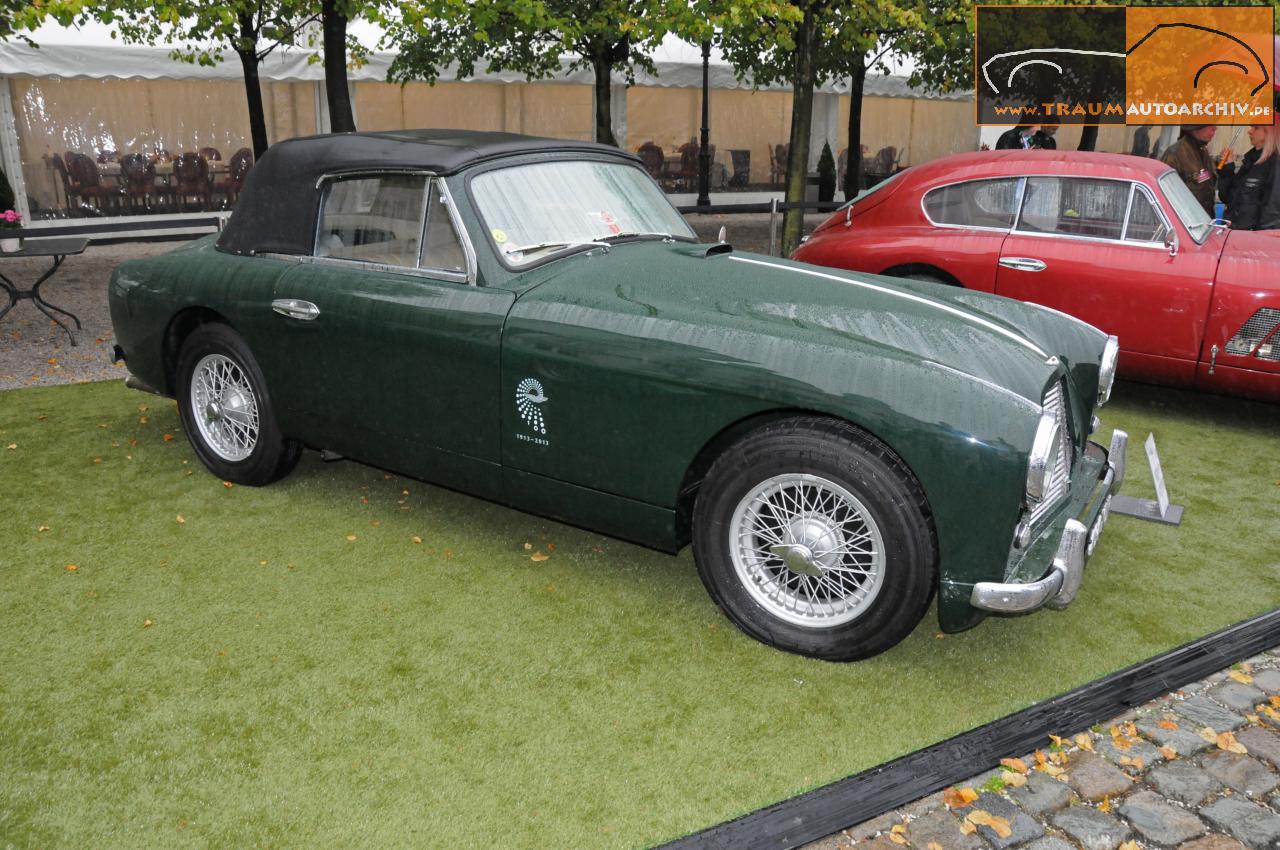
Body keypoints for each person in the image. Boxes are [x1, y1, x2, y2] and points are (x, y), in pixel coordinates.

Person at [1220, 123, 1280, 230]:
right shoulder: (1250, 160)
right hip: (1232, 230)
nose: (1249, 131)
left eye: (1256, 128)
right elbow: (1226, 196)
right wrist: (1228, 167)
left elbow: (1272, 211)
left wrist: (1260, 238)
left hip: (1251, 237)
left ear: (1269, 132)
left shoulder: (1275, 163)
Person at [1159, 124, 1218, 215]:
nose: (1215, 128)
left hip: (1204, 221)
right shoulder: (1175, 155)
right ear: (1195, 126)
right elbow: (1164, 195)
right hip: (1184, 222)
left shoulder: (1203, 152)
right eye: (1210, 125)